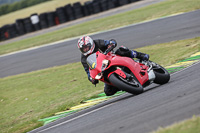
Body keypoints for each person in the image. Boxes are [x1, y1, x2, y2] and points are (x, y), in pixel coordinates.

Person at [77, 36, 149, 96]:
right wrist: (92, 79)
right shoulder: (84, 59)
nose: (85, 50)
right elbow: (88, 71)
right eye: (83, 49)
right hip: (103, 69)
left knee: (122, 51)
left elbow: (110, 42)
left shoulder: (97, 43)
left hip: (111, 57)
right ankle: (123, 84)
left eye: (86, 47)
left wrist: (111, 44)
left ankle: (141, 55)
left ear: (91, 44)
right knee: (108, 91)